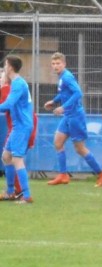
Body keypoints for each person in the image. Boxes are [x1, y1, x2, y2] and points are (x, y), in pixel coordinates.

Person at [43, 52, 102, 187]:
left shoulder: (67, 77)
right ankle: (63, 175)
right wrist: (54, 101)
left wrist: (63, 107)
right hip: (68, 115)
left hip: (75, 116)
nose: (55, 66)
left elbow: (78, 93)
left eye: (58, 63)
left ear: (64, 64)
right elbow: (64, 93)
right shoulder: (61, 77)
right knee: (57, 142)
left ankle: (101, 173)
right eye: (53, 64)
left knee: (79, 148)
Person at [0, 56, 34, 203]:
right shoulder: (16, 83)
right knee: (6, 156)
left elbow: (8, 104)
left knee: (17, 159)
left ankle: (26, 196)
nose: (4, 68)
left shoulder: (18, 84)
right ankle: (10, 191)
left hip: (22, 126)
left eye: (5, 65)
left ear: (10, 67)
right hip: (17, 126)